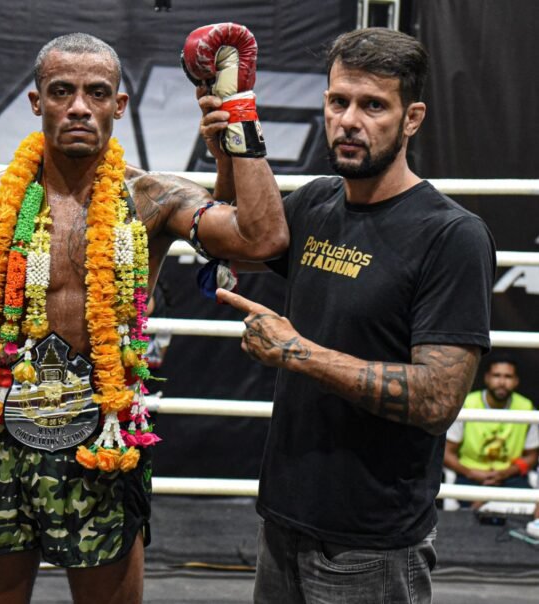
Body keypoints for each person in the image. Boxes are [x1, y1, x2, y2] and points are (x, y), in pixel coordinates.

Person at [0, 30, 287, 604]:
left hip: (104, 437)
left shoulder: (153, 200)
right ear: (36, 102)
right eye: (61, 91)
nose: (79, 106)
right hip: (3, 440)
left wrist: (237, 118)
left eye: (97, 92)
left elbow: (263, 238)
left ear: (118, 106)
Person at [209, 28, 496, 603]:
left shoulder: (451, 236)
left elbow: (439, 398)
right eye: (339, 101)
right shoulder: (317, 201)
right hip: (282, 520)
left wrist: (298, 353)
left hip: (372, 544)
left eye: (373, 106)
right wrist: (230, 151)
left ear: (411, 119)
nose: (349, 120)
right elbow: (240, 240)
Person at [444, 354, 538, 508]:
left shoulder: (526, 407)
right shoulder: (467, 405)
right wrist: (471, 473)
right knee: (469, 517)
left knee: (525, 507)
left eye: (508, 376)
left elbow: (531, 456)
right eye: (496, 376)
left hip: (509, 476)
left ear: (516, 381)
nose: (501, 382)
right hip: (470, 474)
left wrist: (505, 473)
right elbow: (447, 453)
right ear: (487, 378)